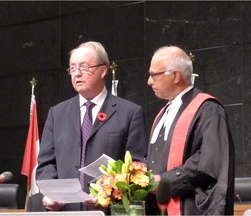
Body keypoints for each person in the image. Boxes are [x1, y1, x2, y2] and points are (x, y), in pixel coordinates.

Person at [35, 41, 148, 212]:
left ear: (103, 71)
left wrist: (109, 195)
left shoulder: (130, 113)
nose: (77, 73)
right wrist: (51, 194)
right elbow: (46, 163)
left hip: (108, 211)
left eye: (84, 67)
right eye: (72, 68)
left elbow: (137, 167)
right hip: (65, 211)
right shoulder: (56, 113)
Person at [146, 46, 235, 215]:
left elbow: (209, 162)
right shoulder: (163, 113)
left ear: (175, 76)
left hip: (190, 208)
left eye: (153, 75)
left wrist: (165, 182)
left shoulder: (208, 109)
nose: (149, 82)